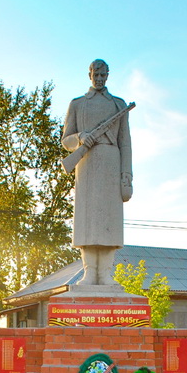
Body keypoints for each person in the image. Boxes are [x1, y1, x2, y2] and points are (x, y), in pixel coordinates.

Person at [61, 59, 133, 285]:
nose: (99, 79)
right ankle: (89, 271)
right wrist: (81, 137)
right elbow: (66, 140)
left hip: (112, 164)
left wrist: (126, 175)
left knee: (109, 222)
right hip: (87, 163)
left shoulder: (119, 105)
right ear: (89, 74)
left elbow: (126, 142)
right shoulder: (77, 104)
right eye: (96, 75)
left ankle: (106, 273)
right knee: (88, 221)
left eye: (103, 75)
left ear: (108, 75)